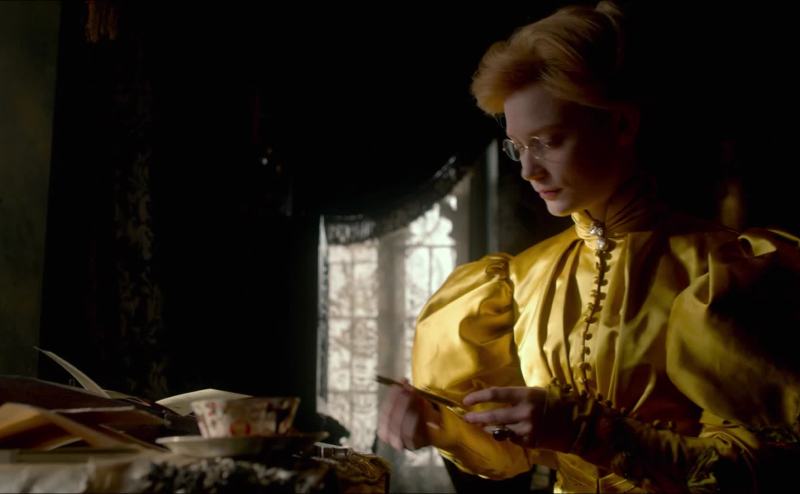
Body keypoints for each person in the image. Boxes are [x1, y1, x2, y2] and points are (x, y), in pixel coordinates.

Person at [378, 2, 800, 492]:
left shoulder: (722, 272)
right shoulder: (524, 279)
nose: (528, 170)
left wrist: (587, 432)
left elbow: (759, 471)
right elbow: (517, 454)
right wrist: (440, 428)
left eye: (548, 141)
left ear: (621, 126)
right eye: (518, 147)